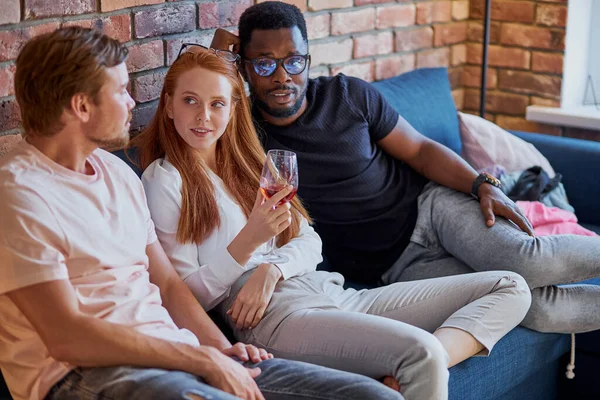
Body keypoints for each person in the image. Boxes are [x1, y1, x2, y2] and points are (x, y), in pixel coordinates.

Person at [0, 27, 406, 400]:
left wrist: (220, 349)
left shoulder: (116, 173)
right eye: (122, 90)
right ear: (81, 105)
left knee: (376, 397)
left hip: (172, 353)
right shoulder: (20, 195)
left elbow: (168, 284)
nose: (131, 102)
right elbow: (66, 336)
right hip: (84, 374)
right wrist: (202, 360)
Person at [133, 41, 531, 400]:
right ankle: (413, 368)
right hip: (274, 316)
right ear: (167, 105)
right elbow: (186, 296)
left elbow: (310, 241)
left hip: (331, 291)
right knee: (420, 352)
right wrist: (248, 243)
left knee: (511, 285)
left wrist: (273, 267)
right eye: (189, 100)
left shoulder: (253, 165)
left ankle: (402, 376)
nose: (203, 116)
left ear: (234, 108)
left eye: (217, 103)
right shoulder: (164, 181)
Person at [210, 0, 600, 334]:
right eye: (264, 65)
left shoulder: (348, 95)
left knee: (525, 261)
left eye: (294, 61)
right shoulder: (244, 133)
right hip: (394, 269)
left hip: (432, 208)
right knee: (536, 308)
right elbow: (203, 92)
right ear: (243, 68)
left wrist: (482, 183)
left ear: (308, 60)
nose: (282, 77)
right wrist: (222, 52)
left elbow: (420, 150)